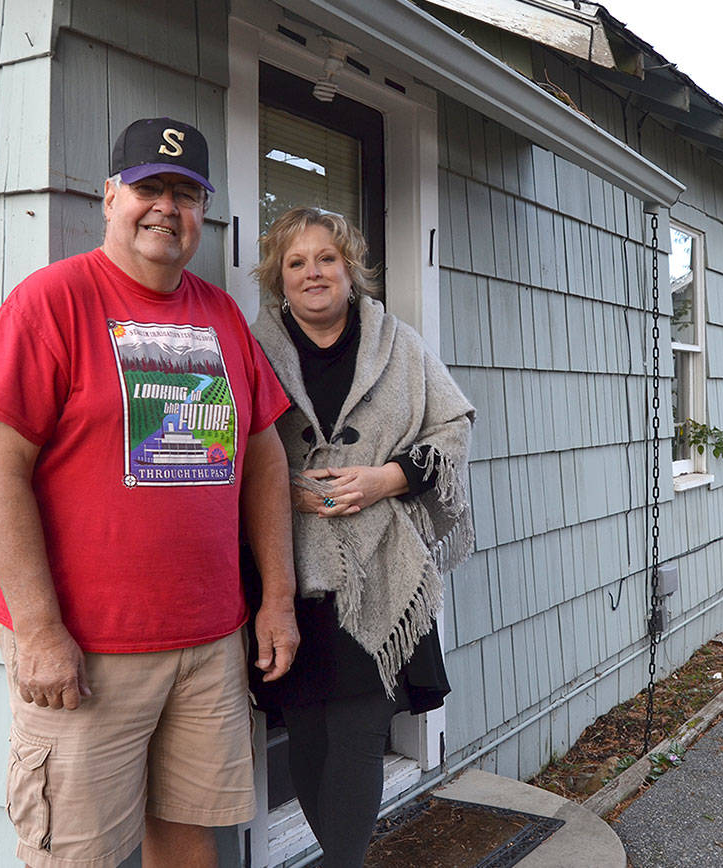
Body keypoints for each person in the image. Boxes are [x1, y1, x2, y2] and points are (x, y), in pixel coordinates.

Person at [0, 117, 300, 868]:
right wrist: (41, 631)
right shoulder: (50, 303)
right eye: (149, 188)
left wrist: (276, 597)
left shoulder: (221, 318)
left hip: (208, 643)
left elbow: (264, 456)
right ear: (109, 196)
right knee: (73, 856)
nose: (166, 209)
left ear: (202, 214)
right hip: (86, 652)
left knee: (187, 839)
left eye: (186, 194)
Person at [247, 207, 474, 866]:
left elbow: (452, 428)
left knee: (357, 731)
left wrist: (387, 478)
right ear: (279, 278)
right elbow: (224, 443)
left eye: (327, 258)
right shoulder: (250, 346)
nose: (313, 272)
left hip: (380, 567)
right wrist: (276, 488)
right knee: (309, 736)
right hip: (285, 571)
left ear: (350, 269)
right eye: (297, 262)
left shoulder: (397, 343)